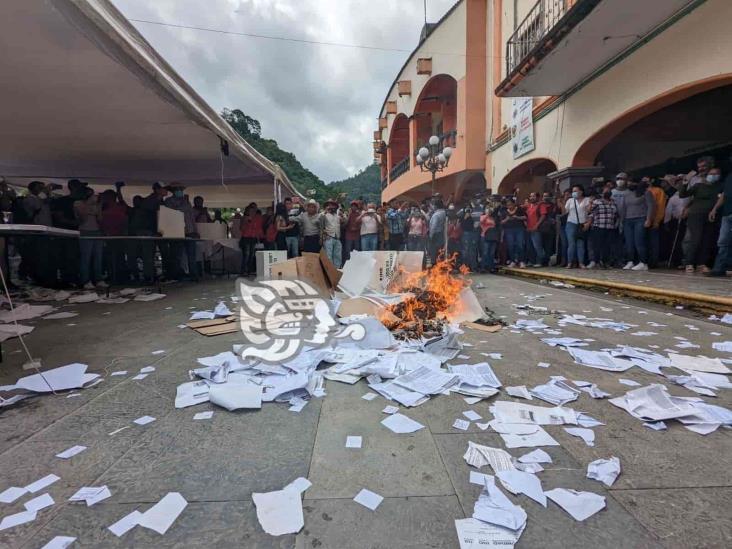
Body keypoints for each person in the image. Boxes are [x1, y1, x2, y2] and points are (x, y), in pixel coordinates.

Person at [680, 167, 722, 273]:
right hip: (696, 215)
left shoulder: (718, 187)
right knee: (696, 238)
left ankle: (701, 264)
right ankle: (689, 263)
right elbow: (683, 194)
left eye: (716, 174)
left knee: (706, 240)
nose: (713, 176)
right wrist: (685, 183)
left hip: (710, 216)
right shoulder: (699, 186)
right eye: (711, 174)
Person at [164, 185, 200, 281]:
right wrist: (182, 203)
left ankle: (194, 275)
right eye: (177, 190)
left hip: (190, 231)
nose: (180, 191)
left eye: (180, 190)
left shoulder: (187, 202)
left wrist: (195, 231)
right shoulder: (168, 201)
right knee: (176, 255)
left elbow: (191, 217)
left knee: (192, 255)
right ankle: (175, 275)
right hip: (177, 232)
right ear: (173, 191)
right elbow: (173, 214)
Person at [74, 187, 106, 289]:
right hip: (85, 231)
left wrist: (99, 206)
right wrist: (88, 204)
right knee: (86, 257)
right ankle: (85, 280)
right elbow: (82, 218)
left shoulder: (96, 205)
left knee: (98, 257)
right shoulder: (78, 203)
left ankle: (98, 279)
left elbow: (100, 219)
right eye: (92, 194)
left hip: (97, 231)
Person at [619, 179, 655, 271]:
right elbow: (623, 208)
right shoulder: (626, 194)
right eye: (629, 182)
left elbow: (651, 206)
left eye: (632, 182)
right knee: (629, 243)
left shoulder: (646, 193)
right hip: (628, 220)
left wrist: (648, 219)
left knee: (639, 241)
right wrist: (622, 220)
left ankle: (643, 262)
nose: (630, 184)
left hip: (640, 218)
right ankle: (630, 261)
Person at [99, 183, 130, 283]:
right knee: (114, 257)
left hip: (115, 236)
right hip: (112, 236)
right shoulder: (104, 208)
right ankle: (116, 275)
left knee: (115, 257)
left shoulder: (117, 207)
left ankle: (117, 276)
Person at [707, 163, 732, 276]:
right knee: (723, 242)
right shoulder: (729, 176)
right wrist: (714, 209)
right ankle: (719, 268)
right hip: (727, 213)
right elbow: (724, 195)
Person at [585, 190, 618, 269]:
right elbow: (589, 211)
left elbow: (616, 213)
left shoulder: (613, 203)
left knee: (607, 246)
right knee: (598, 246)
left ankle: (605, 262)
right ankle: (597, 262)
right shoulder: (597, 202)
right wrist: (590, 203)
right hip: (599, 227)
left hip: (610, 227)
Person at [564, 185, 590, 269]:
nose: (574, 193)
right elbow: (566, 211)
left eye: (576, 191)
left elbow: (589, 212)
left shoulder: (587, 200)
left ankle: (581, 262)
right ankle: (570, 262)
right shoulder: (570, 201)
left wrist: (588, 223)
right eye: (573, 191)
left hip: (582, 223)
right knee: (571, 244)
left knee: (580, 244)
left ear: (581, 191)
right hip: (571, 223)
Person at [500, 198, 527, 268]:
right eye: (508, 205)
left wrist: (517, 217)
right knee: (510, 245)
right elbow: (501, 222)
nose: (509, 206)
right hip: (508, 230)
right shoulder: (504, 211)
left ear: (514, 204)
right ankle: (512, 261)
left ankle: (521, 261)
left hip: (519, 229)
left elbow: (525, 217)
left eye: (511, 205)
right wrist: (507, 219)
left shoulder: (519, 209)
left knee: (520, 245)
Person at [647, 178, 667, 268]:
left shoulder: (658, 191)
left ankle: (653, 262)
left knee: (653, 242)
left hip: (653, 220)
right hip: (641, 220)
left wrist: (657, 220)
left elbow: (660, 206)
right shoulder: (639, 191)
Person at [239, 203, 263, 276]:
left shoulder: (257, 218)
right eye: (251, 210)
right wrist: (246, 221)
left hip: (253, 238)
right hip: (246, 238)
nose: (253, 212)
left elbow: (258, 228)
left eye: (254, 210)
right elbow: (241, 228)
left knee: (251, 255)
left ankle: (249, 270)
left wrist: (258, 237)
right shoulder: (245, 218)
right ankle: (243, 271)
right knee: (246, 254)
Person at [525, 192, 547, 267]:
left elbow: (543, 215)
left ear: (537, 197)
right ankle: (532, 261)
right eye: (530, 196)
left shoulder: (541, 205)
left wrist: (537, 225)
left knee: (537, 246)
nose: (532, 198)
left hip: (536, 229)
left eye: (533, 196)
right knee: (529, 246)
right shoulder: (529, 206)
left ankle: (540, 261)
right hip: (528, 228)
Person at [321, 199, 344, 267]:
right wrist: (326, 211)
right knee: (328, 256)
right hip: (329, 238)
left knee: (338, 256)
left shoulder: (337, 216)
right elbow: (318, 221)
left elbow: (344, 222)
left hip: (337, 238)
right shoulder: (324, 214)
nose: (331, 207)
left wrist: (342, 215)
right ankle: (330, 272)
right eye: (329, 205)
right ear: (326, 206)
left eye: (333, 205)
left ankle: (337, 271)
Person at [479, 204, 499, 273]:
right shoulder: (482, 216)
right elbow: (481, 222)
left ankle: (491, 267)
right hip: (485, 236)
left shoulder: (492, 218)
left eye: (490, 209)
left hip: (493, 236)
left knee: (492, 253)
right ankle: (483, 267)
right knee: (485, 252)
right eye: (487, 208)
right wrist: (487, 214)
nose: (489, 210)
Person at [428, 199, 447, 265]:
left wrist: (431, 235)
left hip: (435, 234)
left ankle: (434, 265)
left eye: (432, 205)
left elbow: (434, 226)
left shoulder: (436, 215)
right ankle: (440, 265)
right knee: (440, 250)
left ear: (435, 206)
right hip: (441, 233)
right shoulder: (444, 212)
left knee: (434, 250)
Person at [460, 206, 478, 271]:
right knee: (465, 251)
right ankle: (465, 267)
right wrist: (465, 218)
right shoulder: (462, 217)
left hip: (472, 233)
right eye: (467, 210)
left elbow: (474, 226)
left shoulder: (472, 217)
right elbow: (461, 225)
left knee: (472, 251)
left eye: (469, 210)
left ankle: (473, 267)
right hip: (465, 233)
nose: (468, 212)